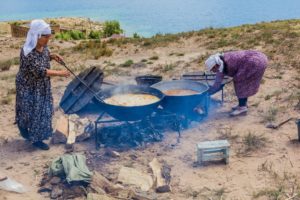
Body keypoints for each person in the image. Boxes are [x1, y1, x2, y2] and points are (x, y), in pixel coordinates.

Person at [15, 19, 70, 150]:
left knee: (43, 110)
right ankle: (36, 140)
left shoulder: (42, 46)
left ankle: (34, 133)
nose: (48, 39)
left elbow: (44, 55)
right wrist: (60, 73)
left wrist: (52, 56)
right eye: (46, 36)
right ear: (37, 36)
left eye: (49, 36)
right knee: (32, 111)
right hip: (28, 87)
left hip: (42, 86)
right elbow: (40, 71)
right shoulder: (27, 52)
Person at [205, 50, 268, 116]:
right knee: (242, 82)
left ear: (216, 66)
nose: (213, 71)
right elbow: (217, 82)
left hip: (256, 61)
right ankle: (243, 104)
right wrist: (209, 92)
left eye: (212, 69)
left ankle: (242, 108)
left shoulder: (227, 63)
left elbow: (218, 82)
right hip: (257, 58)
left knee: (240, 82)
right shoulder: (221, 62)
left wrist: (209, 92)